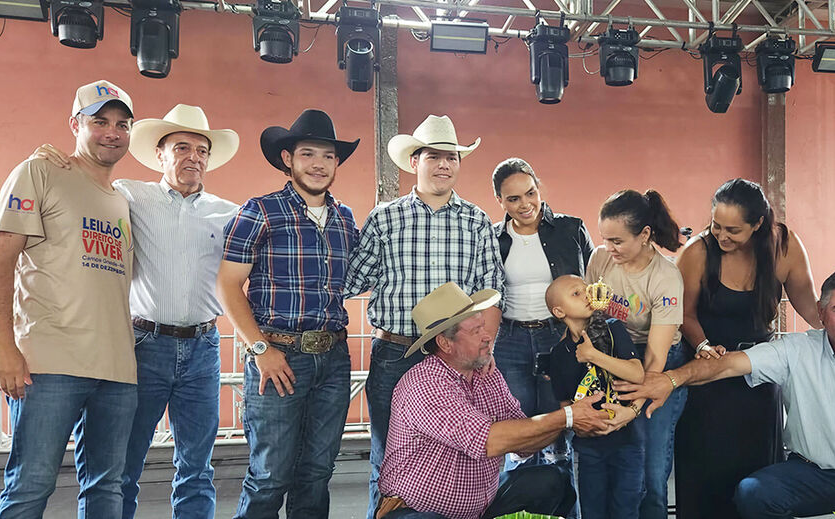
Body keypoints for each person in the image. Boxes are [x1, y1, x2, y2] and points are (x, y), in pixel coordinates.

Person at [31, 104, 241, 519]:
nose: (193, 157)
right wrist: (50, 160)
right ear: (160, 155)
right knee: (124, 465)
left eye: (202, 150)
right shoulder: (128, 195)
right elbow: (82, 182)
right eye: (181, 147)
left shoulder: (230, 213)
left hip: (204, 348)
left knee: (197, 468)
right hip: (144, 345)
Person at [615, 269, 835, 519]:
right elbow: (725, 365)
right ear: (821, 312)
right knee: (752, 493)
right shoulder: (796, 350)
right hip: (810, 476)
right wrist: (670, 379)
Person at [344, 115, 505, 518]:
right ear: (414, 161)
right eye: (434, 156)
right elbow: (352, 280)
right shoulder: (384, 219)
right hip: (395, 354)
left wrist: (485, 351)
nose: (444, 164)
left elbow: (491, 292)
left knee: (463, 460)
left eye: (452, 156)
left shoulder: (477, 221)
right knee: (391, 462)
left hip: (458, 358)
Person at [0, 80, 137, 518]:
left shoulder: (123, 200)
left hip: (117, 370)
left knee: (108, 488)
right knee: (31, 485)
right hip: (49, 364)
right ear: (75, 124)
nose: (112, 132)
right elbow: (0, 259)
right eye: (99, 122)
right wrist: (2, 345)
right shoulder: (40, 172)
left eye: (121, 124)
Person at [216, 109, 360, 518]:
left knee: (316, 473)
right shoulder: (260, 211)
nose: (318, 164)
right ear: (288, 159)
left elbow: (362, 276)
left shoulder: (345, 219)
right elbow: (228, 286)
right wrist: (260, 349)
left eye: (328, 156)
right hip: (278, 355)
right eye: (308, 153)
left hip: (333, 358)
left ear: (336, 163)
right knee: (269, 475)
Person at [377, 282, 622, 519]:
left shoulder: (485, 373)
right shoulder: (426, 383)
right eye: (476, 331)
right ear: (444, 343)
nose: (487, 336)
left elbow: (524, 443)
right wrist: (568, 416)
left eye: (484, 327)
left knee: (554, 480)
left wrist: (569, 419)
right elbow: (488, 442)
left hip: (479, 505)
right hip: (417, 511)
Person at [673, 178, 823, 519]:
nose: (721, 236)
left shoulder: (783, 245)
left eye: (733, 230)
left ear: (758, 225)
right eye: (716, 226)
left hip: (760, 372)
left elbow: (808, 306)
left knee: (757, 469)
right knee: (705, 466)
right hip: (708, 370)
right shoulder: (697, 251)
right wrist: (704, 345)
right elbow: (684, 313)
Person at [584, 189, 686, 519]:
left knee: (651, 473)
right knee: (617, 466)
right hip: (613, 356)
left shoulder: (666, 277)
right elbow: (591, 313)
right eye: (604, 238)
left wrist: (632, 407)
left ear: (644, 235)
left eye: (617, 241)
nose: (608, 248)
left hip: (656, 361)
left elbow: (655, 360)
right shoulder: (601, 259)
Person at [491, 157, 594, 474]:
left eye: (530, 192)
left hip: (559, 337)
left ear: (538, 188)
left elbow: (593, 282)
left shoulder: (571, 228)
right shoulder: (493, 238)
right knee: (517, 433)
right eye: (513, 198)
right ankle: (519, 505)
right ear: (500, 201)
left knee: (559, 428)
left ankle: (562, 505)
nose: (525, 204)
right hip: (509, 340)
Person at [544, 275, 646, 519]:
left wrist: (593, 355)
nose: (586, 295)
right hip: (589, 448)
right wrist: (580, 429)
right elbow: (565, 405)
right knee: (592, 510)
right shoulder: (558, 355)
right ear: (559, 311)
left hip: (627, 441)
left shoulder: (612, 327)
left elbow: (637, 374)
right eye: (575, 293)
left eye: (585, 289)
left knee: (626, 509)